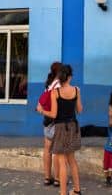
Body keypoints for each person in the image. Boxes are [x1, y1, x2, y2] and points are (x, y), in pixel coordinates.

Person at [37, 65, 83, 195]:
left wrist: (42, 111)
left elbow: (53, 114)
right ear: (70, 77)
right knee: (72, 160)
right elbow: (79, 110)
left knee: (62, 161)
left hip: (61, 128)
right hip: (73, 126)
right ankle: (77, 190)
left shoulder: (55, 92)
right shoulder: (76, 90)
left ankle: (63, 192)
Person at [41, 61, 63, 186]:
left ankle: (47, 177)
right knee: (57, 151)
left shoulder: (48, 84)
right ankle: (58, 179)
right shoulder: (59, 85)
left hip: (47, 118)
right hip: (57, 119)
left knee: (47, 148)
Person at [103, 115, 112, 186]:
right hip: (107, 150)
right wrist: (111, 116)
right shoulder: (110, 128)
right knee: (105, 165)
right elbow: (110, 123)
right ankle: (107, 179)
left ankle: (109, 178)